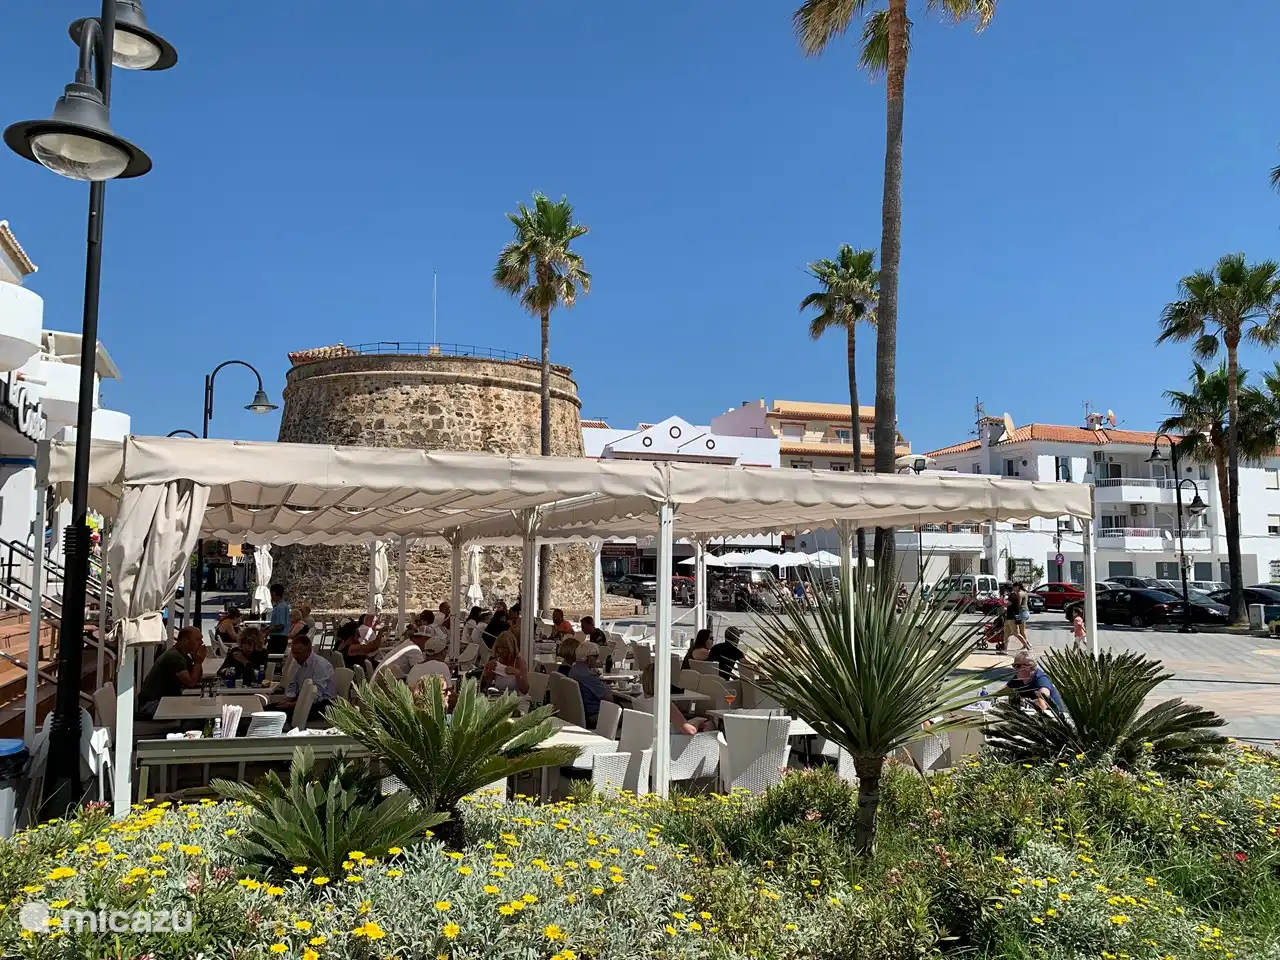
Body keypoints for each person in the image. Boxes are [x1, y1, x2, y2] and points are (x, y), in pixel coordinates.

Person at [138, 626, 206, 718]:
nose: (201, 642)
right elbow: (191, 683)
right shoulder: (174, 657)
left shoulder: (184, 655)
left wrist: (196, 659)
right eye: (198, 639)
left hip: (165, 701)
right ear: (186, 641)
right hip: (152, 704)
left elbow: (197, 678)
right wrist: (198, 662)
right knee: (196, 711)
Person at [641, 664, 713, 734]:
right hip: (676, 738)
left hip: (655, 734)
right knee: (710, 724)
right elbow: (690, 731)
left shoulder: (640, 699)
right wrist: (698, 722)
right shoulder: (663, 703)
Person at [281, 634, 336, 723]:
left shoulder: (320, 665)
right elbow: (294, 684)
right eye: (294, 653)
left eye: (298, 653)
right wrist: (289, 698)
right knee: (271, 708)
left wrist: (294, 704)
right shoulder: (301, 663)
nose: (295, 657)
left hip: (322, 705)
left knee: (279, 715)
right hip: (304, 700)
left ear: (308, 651)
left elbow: (316, 694)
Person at [567, 640, 613, 727]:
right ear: (588, 657)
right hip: (594, 715)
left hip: (580, 714)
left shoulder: (573, 670)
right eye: (596, 656)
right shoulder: (588, 675)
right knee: (628, 713)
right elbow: (609, 698)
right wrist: (606, 687)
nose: (597, 659)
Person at [266, 583, 291, 655]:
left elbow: (280, 626)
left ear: (274, 593)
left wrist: (267, 631)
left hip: (278, 638)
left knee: (272, 658)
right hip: (279, 638)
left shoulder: (280, 607)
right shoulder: (281, 606)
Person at [1005, 582, 1030, 650]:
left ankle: (1026, 645)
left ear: (1017, 587)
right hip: (1026, 611)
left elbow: (1018, 605)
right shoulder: (1025, 592)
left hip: (1021, 612)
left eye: (1014, 587)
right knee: (1022, 631)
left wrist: (1016, 614)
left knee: (1017, 631)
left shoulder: (1019, 593)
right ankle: (1026, 644)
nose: (1013, 589)